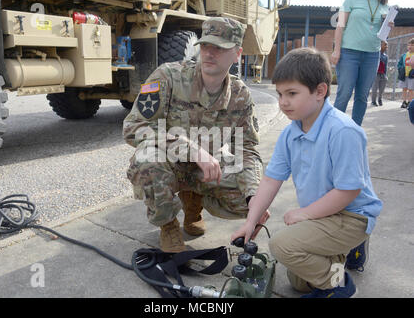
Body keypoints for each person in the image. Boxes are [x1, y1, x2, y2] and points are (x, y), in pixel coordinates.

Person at [231, 48, 383, 298]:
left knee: (282, 246)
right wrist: (250, 222)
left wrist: (305, 213)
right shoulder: (290, 133)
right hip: (324, 214)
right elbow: (271, 180)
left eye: (292, 93)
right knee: (299, 281)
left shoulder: (343, 131)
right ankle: (350, 251)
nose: (283, 102)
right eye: (280, 94)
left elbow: (349, 190)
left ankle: (340, 285)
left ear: (320, 91)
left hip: (352, 215)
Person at [123, 17, 264, 253]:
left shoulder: (241, 95)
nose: (210, 53)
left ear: (237, 53)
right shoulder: (168, 76)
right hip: (171, 165)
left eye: (220, 48)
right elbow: (134, 127)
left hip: (206, 170)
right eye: (206, 45)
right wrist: (190, 148)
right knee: (146, 160)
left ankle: (193, 204)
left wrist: (254, 195)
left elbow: (246, 149)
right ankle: (168, 225)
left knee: (255, 197)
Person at [331, 0, 391, 126]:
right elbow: (340, 25)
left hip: (372, 55)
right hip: (348, 53)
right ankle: (334, 129)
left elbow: (383, 34)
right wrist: (336, 50)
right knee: (345, 93)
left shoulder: (384, 6)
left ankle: (355, 129)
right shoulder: (351, 0)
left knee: (362, 96)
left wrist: (389, 26)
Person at [398, 38, 414, 109]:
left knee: (411, 89)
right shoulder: (404, 55)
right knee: (404, 88)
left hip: (412, 75)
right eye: (409, 45)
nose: (410, 47)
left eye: (412, 45)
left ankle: (410, 102)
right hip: (404, 75)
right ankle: (404, 102)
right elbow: (399, 64)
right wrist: (401, 69)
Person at [371, 41, 388, 106]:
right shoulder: (376, 54)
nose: (386, 47)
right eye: (385, 45)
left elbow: (386, 66)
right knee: (374, 88)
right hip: (376, 74)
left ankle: (380, 99)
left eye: (387, 45)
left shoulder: (385, 56)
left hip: (382, 74)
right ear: (380, 45)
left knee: (382, 88)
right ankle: (373, 101)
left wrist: (385, 74)